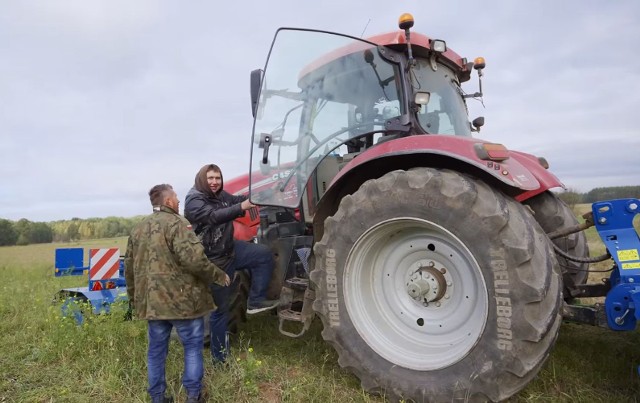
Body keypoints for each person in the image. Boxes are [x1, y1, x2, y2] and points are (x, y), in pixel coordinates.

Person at [125, 184, 231, 403]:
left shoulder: (138, 229)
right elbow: (194, 260)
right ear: (167, 202)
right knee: (192, 348)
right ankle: (193, 396)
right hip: (183, 304)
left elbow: (129, 269)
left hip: (153, 305)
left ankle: (157, 397)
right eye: (175, 197)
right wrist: (219, 275)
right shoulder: (178, 224)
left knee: (156, 351)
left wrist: (135, 299)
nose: (178, 200)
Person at [184, 163, 277, 364]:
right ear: (202, 178)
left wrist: (263, 194)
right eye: (210, 178)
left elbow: (236, 199)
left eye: (217, 178)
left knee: (263, 255)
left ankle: (256, 300)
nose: (215, 182)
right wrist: (242, 207)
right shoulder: (194, 200)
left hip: (230, 249)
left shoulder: (220, 195)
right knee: (220, 312)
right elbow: (213, 216)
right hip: (215, 259)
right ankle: (220, 358)